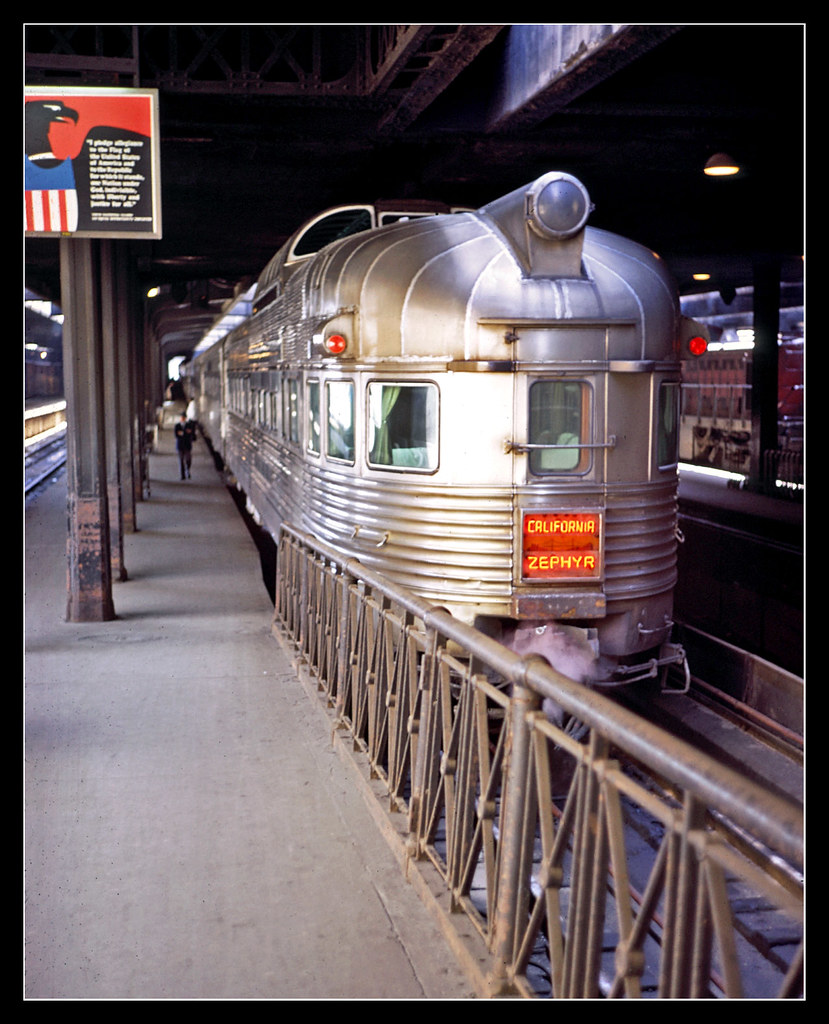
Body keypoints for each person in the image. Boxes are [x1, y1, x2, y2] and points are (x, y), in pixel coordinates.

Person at [174, 412, 196, 480]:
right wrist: (185, 433)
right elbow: (176, 435)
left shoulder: (189, 425)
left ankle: (187, 470)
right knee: (181, 461)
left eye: (184, 417)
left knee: (188, 459)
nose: (183, 418)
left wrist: (182, 433)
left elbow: (191, 433)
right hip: (180, 446)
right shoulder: (177, 425)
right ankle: (182, 475)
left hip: (187, 445)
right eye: (182, 417)